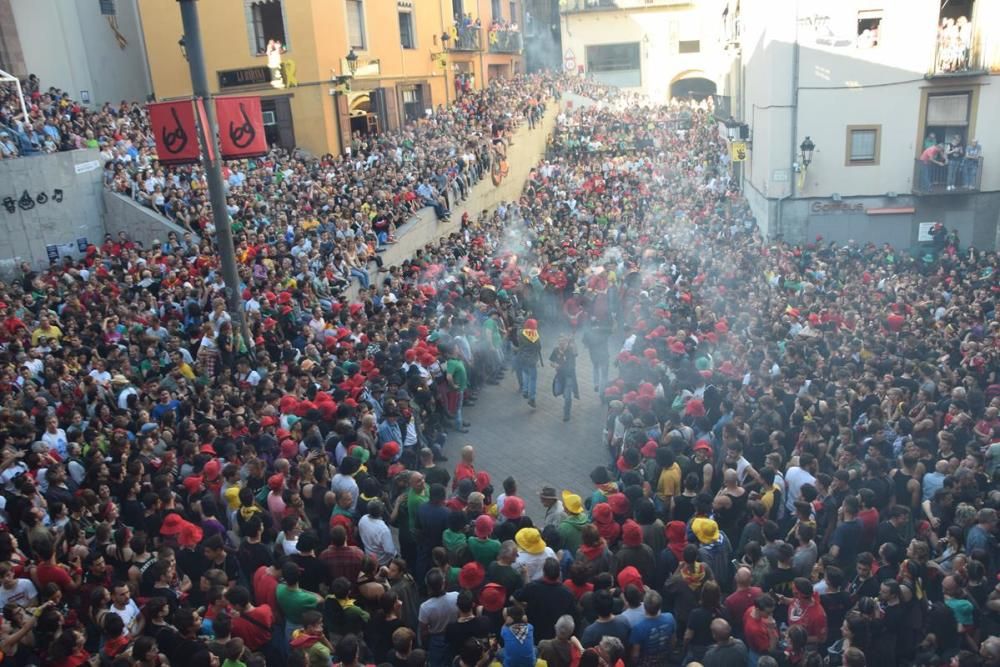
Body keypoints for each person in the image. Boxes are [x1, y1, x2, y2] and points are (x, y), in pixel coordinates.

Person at [628, 590, 676, 667]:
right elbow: (673, 641)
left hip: (646, 662)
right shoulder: (670, 617)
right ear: (660, 606)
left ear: (644, 606)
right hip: (663, 659)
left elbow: (635, 656)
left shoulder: (638, 628)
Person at [549, 334, 580, 421]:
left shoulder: (571, 350)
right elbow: (551, 362)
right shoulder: (556, 350)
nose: (561, 343)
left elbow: (576, 352)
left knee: (567, 397)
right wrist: (554, 365)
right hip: (559, 376)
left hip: (569, 376)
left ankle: (566, 414)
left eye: (563, 341)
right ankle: (565, 393)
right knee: (557, 391)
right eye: (560, 341)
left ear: (567, 342)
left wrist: (573, 343)